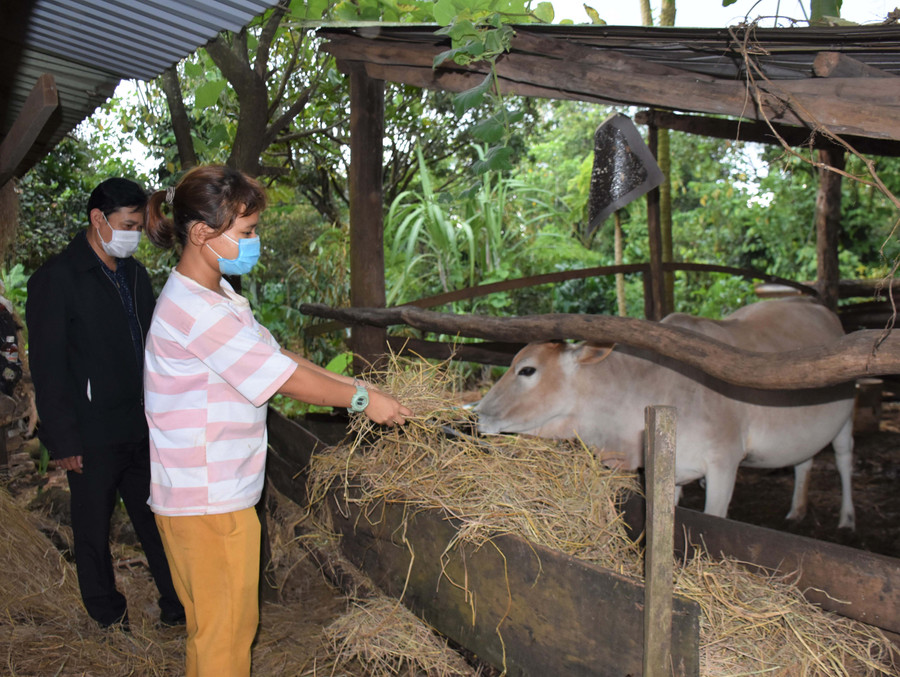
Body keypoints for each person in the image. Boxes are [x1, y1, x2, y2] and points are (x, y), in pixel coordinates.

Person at [143, 165, 411, 677]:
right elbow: (281, 377)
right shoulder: (196, 310)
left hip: (209, 497)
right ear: (202, 234)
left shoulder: (216, 295)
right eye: (245, 232)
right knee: (226, 641)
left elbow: (275, 353)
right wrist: (360, 402)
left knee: (214, 635)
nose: (254, 242)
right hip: (208, 502)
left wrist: (364, 389)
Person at [25, 178, 185, 630]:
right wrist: (63, 439)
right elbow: (50, 367)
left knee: (157, 521)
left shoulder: (134, 275)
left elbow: (155, 344)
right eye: (128, 224)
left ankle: (176, 604)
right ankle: (109, 618)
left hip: (141, 424)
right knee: (93, 530)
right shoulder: (57, 279)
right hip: (91, 433)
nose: (134, 234)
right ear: (98, 219)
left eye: (138, 225)